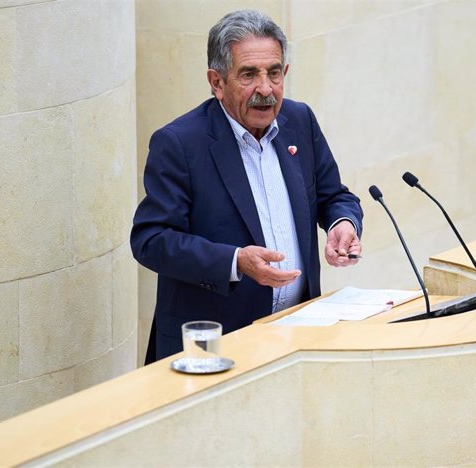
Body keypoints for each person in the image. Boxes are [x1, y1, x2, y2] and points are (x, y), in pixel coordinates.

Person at [131, 9, 364, 363]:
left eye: (274, 73)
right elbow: (151, 240)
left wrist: (342, 224)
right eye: (249, 75)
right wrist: (235, 261)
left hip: (296, 332)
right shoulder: (180, 143)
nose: (265, 89)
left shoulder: (299, 121)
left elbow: (335, 196)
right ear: (217, 81)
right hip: (214, 345)